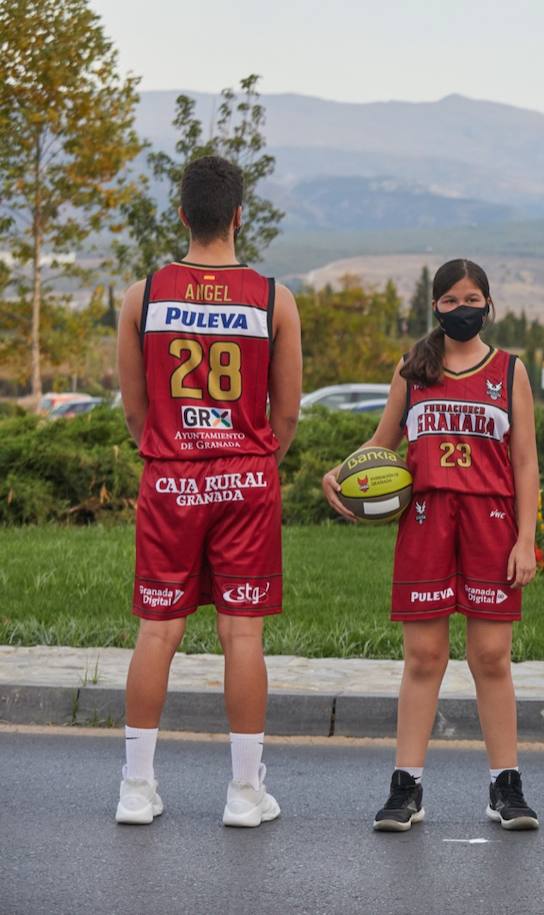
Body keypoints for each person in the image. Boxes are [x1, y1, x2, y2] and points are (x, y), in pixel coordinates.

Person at [114, 155, 303, 827]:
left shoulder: (144, 295)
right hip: (247, 476)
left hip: (170, 476)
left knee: (157, 630)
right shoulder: (274, 296)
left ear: (182, 214)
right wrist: (251, 459)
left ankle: (136, 787)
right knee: (240, 633)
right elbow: (286, 414)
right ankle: (244, 793)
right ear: (240, 215)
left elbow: (135, 410)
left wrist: (172, 451)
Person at [323, 258, 540, 832]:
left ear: (489, 306)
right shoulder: (412, 369)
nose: (461, 308)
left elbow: (525, 463)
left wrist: (526, 539)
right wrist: (339, 475)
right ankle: (407, 787)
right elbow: (379, 445)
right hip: (426, 520)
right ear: (435, 307)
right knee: (424, 658)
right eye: (450, 300)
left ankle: (505, 785)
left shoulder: (509, 371)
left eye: (471, 299)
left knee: (491, 657)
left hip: (491, 523)